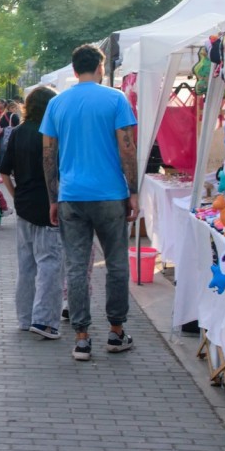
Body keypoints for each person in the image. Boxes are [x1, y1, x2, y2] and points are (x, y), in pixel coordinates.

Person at [40, 44, 139, 362]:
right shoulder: (116, 99)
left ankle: (82, 337)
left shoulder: (56, 104)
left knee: (77, 267)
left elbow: (48, 155)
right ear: (101, 67)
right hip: (110, 194)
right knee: (116, 265)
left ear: (73, 69)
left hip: (72, 196)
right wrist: (133, 191)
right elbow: (127, 149)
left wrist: (53, 198)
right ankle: (116, 331)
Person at [0, 86, 64, 340]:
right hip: (49, 205)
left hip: (25, 205)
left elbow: (4, 170)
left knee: (26, 265)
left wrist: (16, 196)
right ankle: (45, 320)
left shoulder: (18, 132)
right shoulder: (52, 133)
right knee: (50, 262)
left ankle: (25, 318)